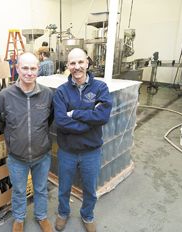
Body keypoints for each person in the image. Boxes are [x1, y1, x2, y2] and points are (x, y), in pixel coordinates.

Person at [0, 52, 54, 232]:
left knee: (41, 189)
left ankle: (41, 216)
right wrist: (14, 138)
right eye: (25, 68)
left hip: (41, 155)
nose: (29, 72)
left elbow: (49, 119)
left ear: (38, 70)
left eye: (33, 68)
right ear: (17, 68)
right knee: (19, 190)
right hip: (17, 157)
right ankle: (19, 219)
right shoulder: (5, 96)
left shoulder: (47, 95)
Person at [53, 48, 112, 232]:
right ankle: (63, 213)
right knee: (63, 188)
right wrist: (89, 121)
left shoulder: (100, 88)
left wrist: (76, 114)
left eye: (80, 62)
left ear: (87, 62)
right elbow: (61, 122)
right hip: (67, 151)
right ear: (67, 66)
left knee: (89, 189)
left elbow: (102, 116)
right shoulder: (61, 92)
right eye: (72, 63)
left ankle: (87, 215)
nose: (76, 67)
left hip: (91, 151)